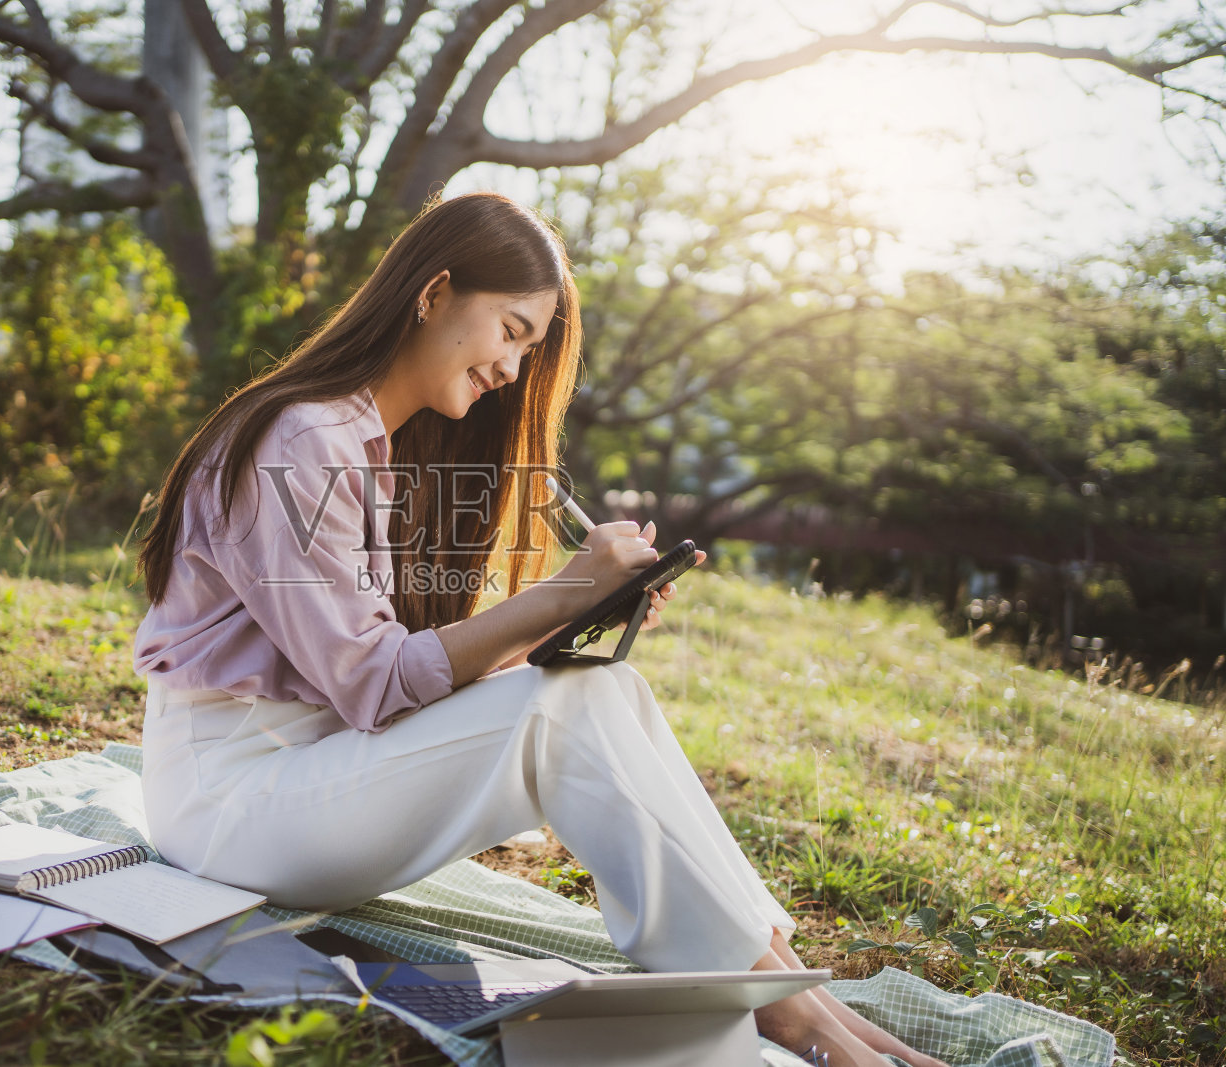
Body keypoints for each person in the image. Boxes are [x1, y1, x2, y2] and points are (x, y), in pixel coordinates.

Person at [134, 192, 947, 1067]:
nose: (515, 371)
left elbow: (402, 677)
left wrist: (576, 609)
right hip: (229, 804)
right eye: (512, 331)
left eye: (531, 348)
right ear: (434, 292)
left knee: (607, 689)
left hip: (306, 770)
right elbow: (373, 683)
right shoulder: (303, 440)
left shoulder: (374, 441)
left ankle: (794, 992)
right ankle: (789, 1016)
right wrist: (562, 593)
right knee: (564, 714)